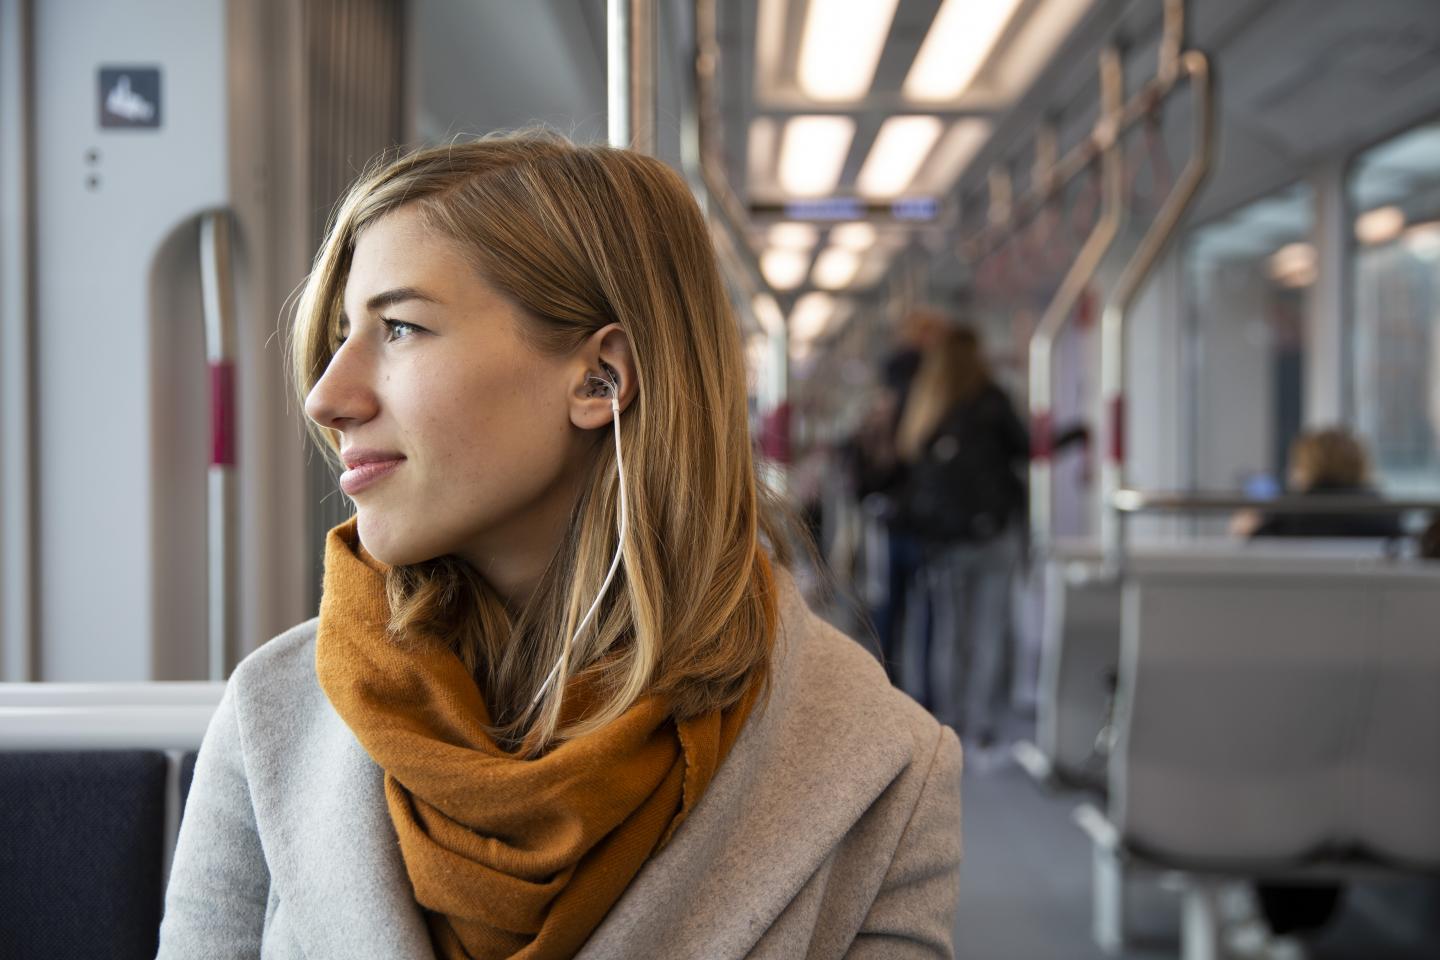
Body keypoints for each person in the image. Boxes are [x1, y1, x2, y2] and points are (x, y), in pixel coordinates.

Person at [155, 131, 961, 959]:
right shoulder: (273, 720)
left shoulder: (882, 774)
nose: (328, 396)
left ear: (599, 378)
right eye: (340, 336)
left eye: (398, 328)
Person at [893, 323, 1028, 762]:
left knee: (949, 629)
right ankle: (979, 725)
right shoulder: (992, 400)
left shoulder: (929, 405)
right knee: (986, 630)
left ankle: (947, 726)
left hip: (945, 538)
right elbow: (1023, 448)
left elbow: (910, 464)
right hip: (992, 535)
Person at [1231, 427, 1401, 540]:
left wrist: (1247, 529)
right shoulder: (1382, 511)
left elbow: (1260, 544)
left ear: (1305, 465)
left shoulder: (1293, 512)